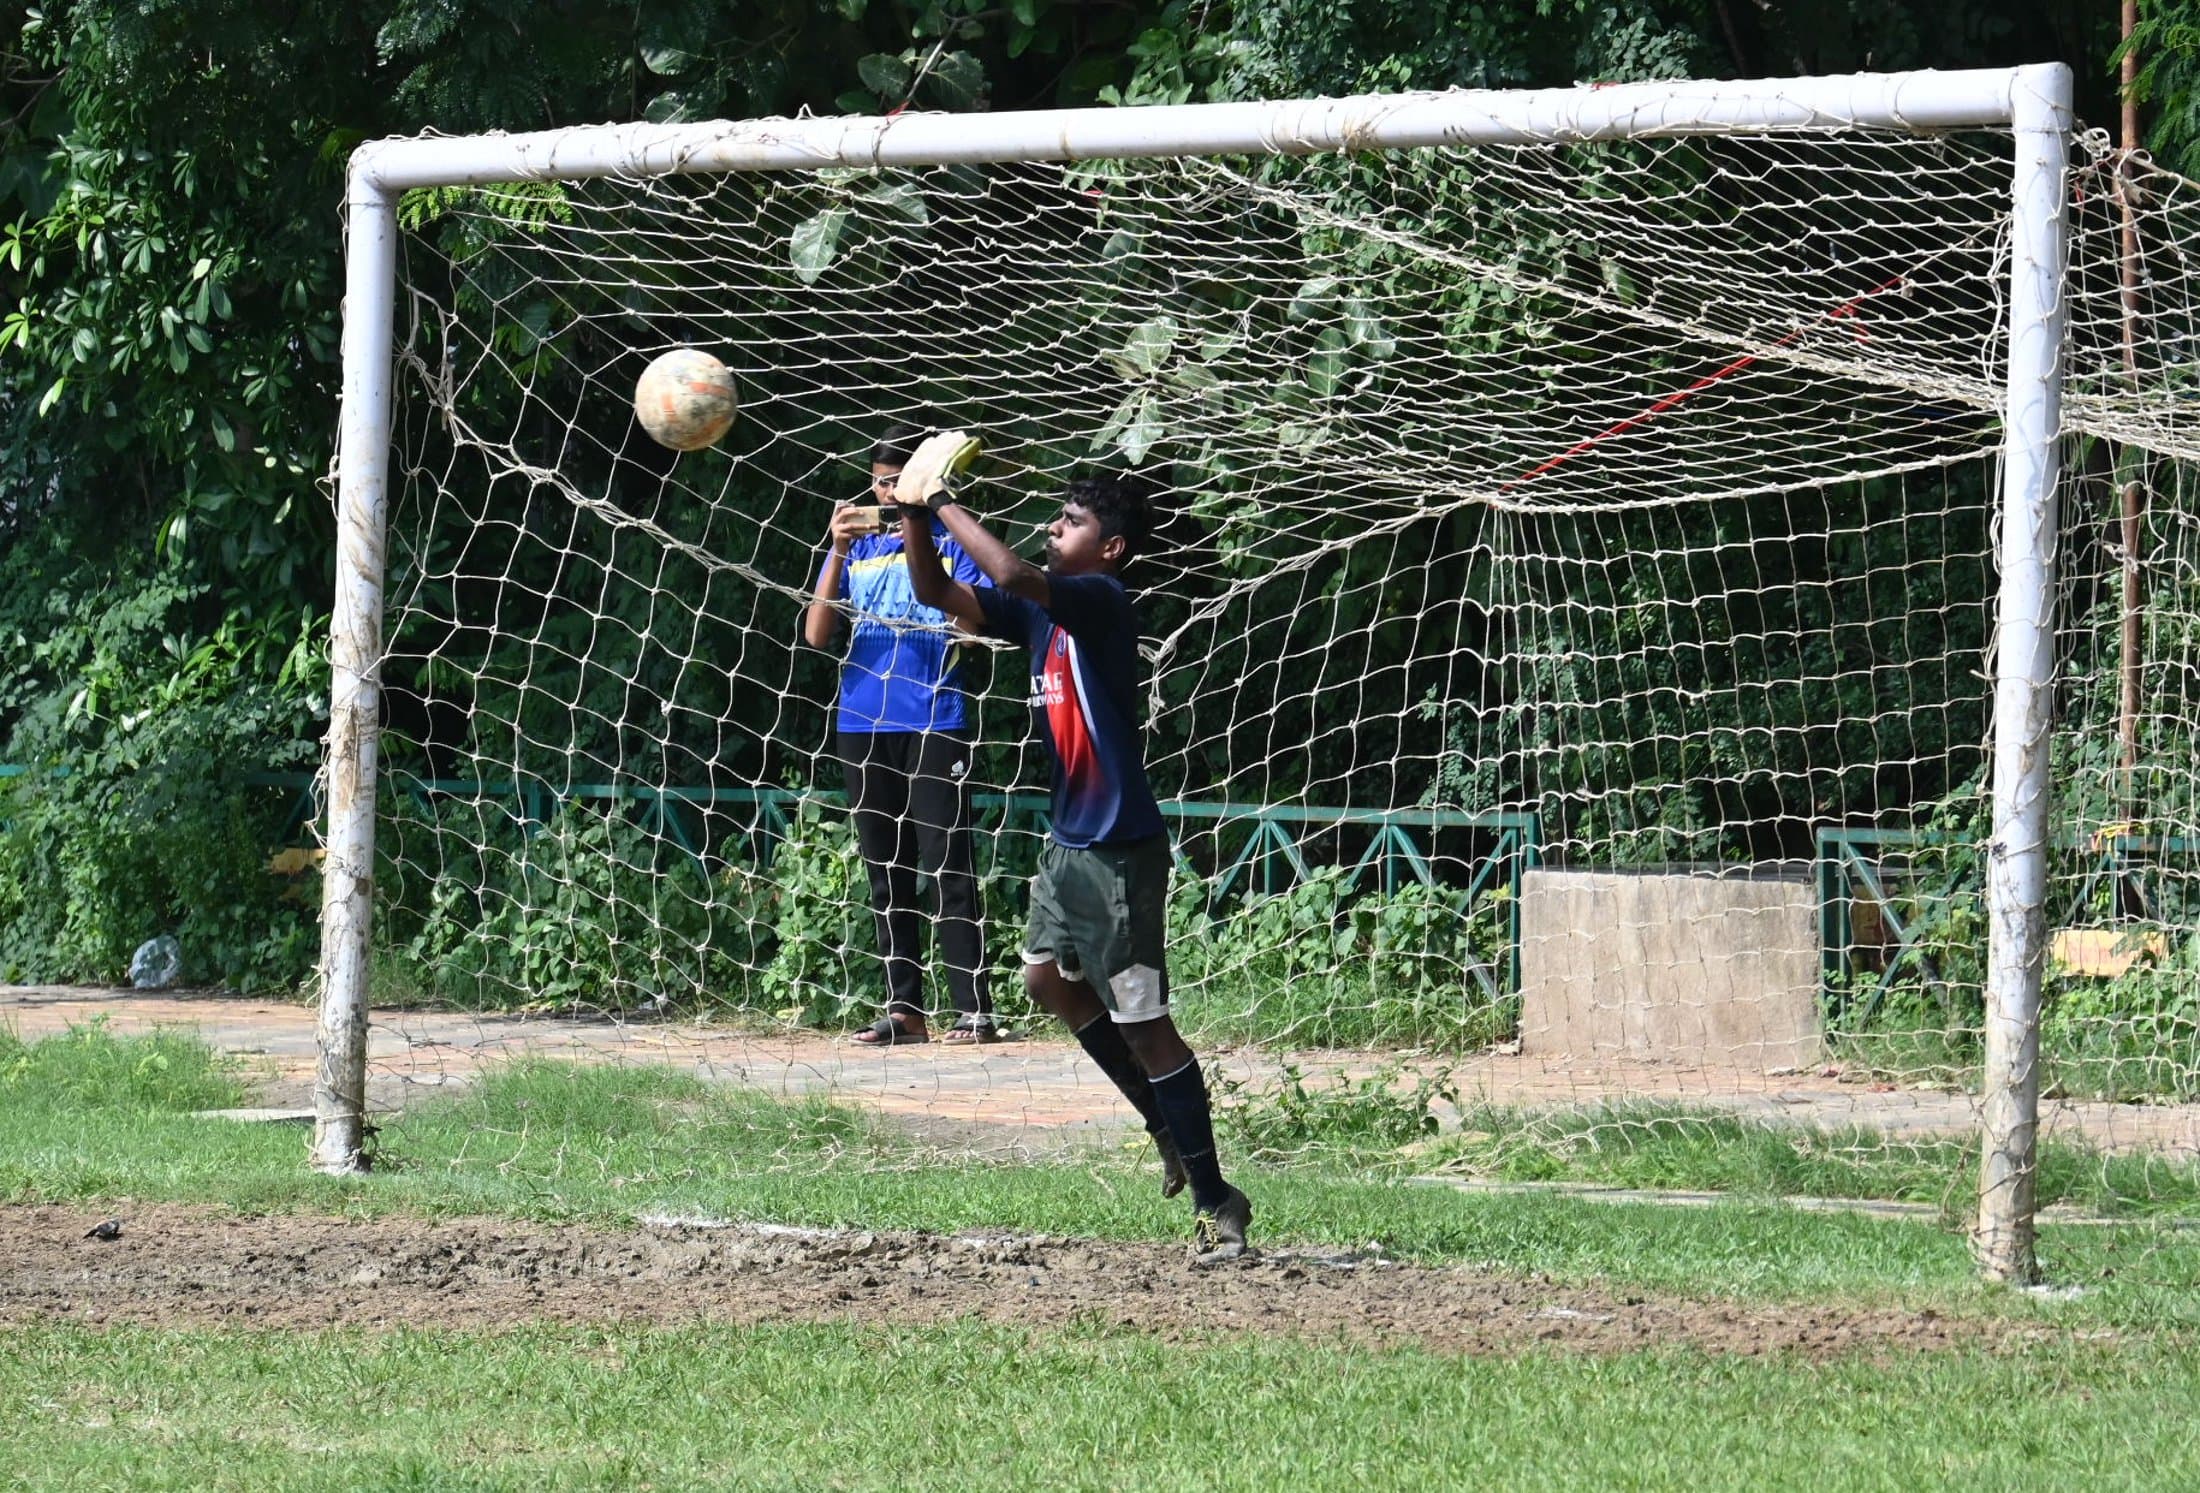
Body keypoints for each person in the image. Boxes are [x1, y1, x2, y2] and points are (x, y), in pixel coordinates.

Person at [894, 432, 1252, 1261]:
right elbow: (935, 586)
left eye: (1070, 520)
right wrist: (915, 514)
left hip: (1120, 849)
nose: (1054, 528)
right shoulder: (1038, 619)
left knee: (1148, 1026)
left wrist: (943, 496)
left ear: (1111, 548)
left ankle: (1215, 1195)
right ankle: (1165, 1126)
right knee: (1046, 978)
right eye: (1054, 518)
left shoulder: (1099, 602)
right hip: (1069, 841)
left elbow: (1017, 574)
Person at [803, 425, 996, 1046]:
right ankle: (904, 1011)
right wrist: (833, 549)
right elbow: (816, 634)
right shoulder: (858, 548)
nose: (885, 493)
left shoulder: (951, 539)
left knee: (948, 866)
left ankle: (974, 1009)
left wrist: (949, 603)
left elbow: (974, 624)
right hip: (862, 720)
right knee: (886, 869)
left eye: (896, 480)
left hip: (935, 718)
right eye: (879, 481)